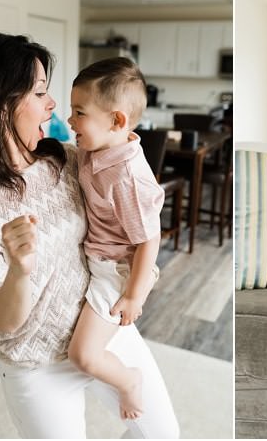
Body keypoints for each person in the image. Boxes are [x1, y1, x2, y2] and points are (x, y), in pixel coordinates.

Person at [0, 32, 177, 437]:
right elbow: (6, 321)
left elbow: (127, 173)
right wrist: (19, 270)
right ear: (1, 102)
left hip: (103, 330)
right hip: (38, 364)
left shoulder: (68, 159)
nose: (54, 104)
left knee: (163, 435)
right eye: (41, 92)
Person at [61, 57, 164, 420]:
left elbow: (149, 239)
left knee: (82, 356)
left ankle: (128, 381)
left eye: (79, 112)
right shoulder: (98, 146)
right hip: (99, 257)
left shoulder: (126, 176)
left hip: (117, 270)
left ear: (117, 120)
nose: (71, 120)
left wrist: (134, 294)